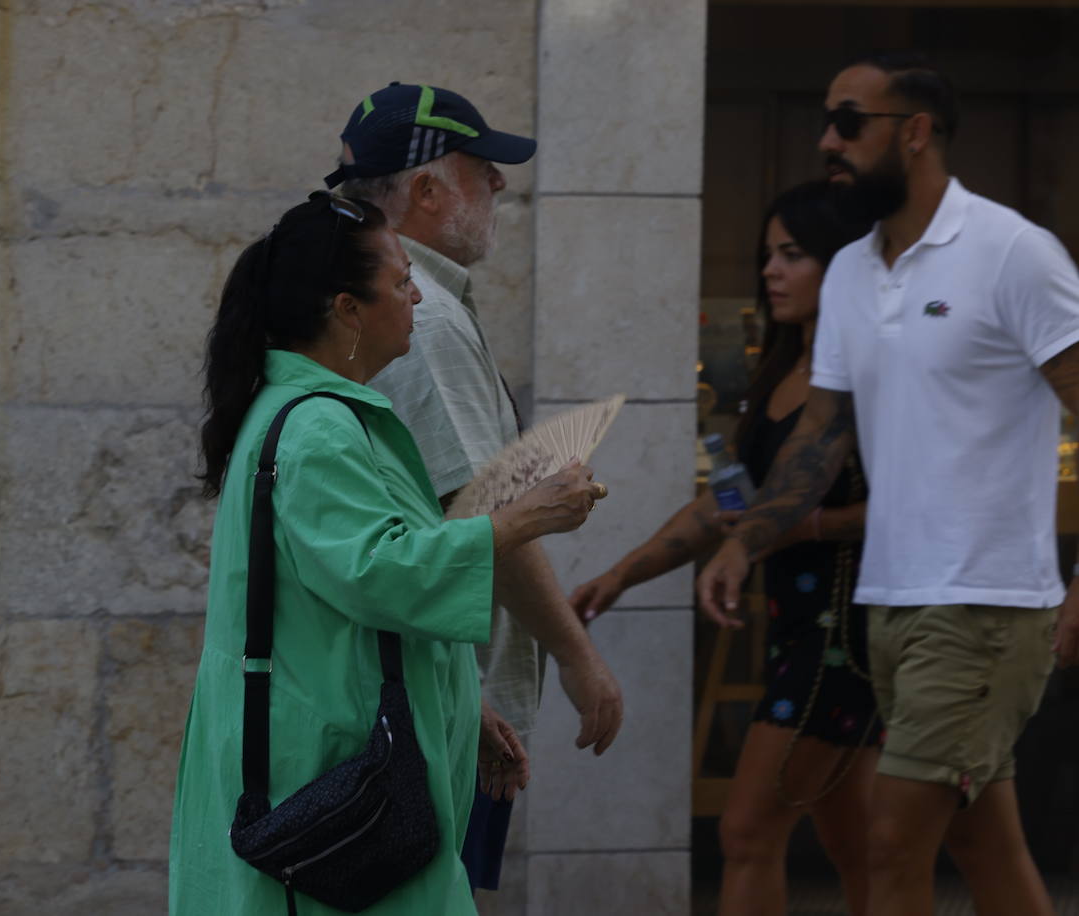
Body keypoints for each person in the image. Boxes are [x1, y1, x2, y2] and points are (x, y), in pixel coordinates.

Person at [698, 52, 1079, 916]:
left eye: (848, 122)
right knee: (984, 840)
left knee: (891, 839)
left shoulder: (1013, 252)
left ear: (915, 134)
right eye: (826, 122)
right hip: (888, 605)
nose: (828, 140)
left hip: (983, 604)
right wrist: (742, 539)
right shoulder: (856, 276)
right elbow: (822, 437)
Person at [168, 192, 614, 915]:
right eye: (402, 281)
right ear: (347, 308)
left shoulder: (324, 414)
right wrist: (521, 519)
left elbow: (356, 590)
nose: (415, 297)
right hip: (327, 778)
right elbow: (382, 572)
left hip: (343, 754)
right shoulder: (318, 429)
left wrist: (463, 706)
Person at [326, 81, 625, 893]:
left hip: (442, 699)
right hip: (430, 713)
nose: (499, 183)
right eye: (480, 166)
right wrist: (577, 656)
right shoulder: (421, 321)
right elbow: (486, 517)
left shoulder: (397, 310)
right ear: (424, 190)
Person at [570, 180, 879, 915]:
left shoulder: (868, 375)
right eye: (767, 254)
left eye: (793, 254)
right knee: (861, 844)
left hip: (848, 635)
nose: (771, 270)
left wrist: (802, 529)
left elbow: (912, 505)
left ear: (844, 266)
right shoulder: (777, 372)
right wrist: (622, 573)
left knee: (747, 830)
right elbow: (731, 500)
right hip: (798, 628)